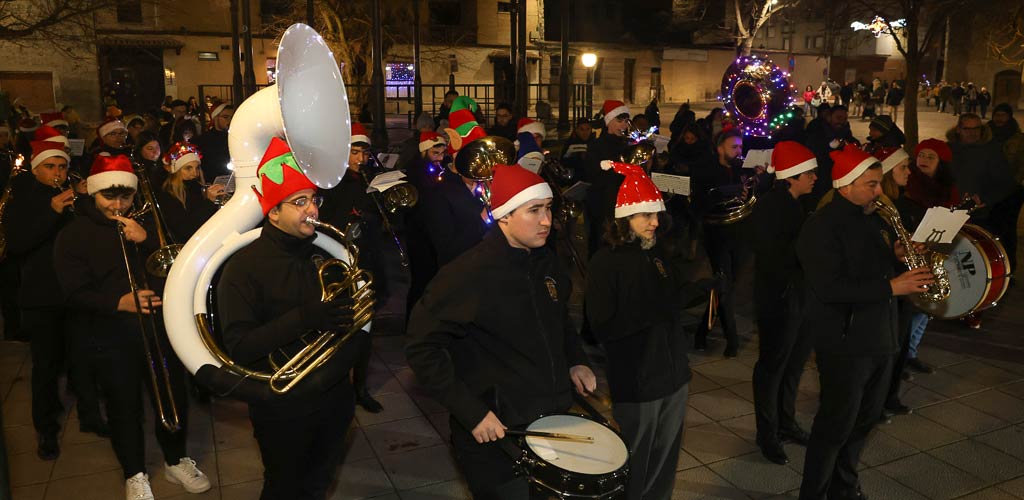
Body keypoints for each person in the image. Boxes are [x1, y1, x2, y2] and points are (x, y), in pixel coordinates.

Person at [405, 164, 595, 499]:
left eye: (548, 209)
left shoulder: (546, 262)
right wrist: (472, 412)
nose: (547, 221)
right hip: (495, 434)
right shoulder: (468, 273)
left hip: (548, 421)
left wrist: (576, 360)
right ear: (504, 216)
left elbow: (558, 319)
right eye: (534, 210)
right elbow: (422, 347)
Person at [216, 137, 367, 500]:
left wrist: (337, 380)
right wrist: (304, 318)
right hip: (282, 408)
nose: (312, 210)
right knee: (283, 488)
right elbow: (239, 347)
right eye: (300, 202)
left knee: (319, 483)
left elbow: (355, 324)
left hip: (333, 399)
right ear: (273, 212)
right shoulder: (242, 268)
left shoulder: (325, 253)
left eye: (314, 199)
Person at [54, 154, 210, 500]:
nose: (118, 204)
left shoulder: (144, 225)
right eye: (109, 196)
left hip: (157, 328)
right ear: (93, 195)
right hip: (110, 335)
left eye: (125, 196)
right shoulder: (74, 234)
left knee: (174, 396)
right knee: (123, 404)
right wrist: (117, 302)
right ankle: (134, 473)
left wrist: (148, 241)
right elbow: (72, 292)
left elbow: (175, 267)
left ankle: (174, 458)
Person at [797, 145, 933, 500]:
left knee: (865, 421)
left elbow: (867, 264)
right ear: (845, 186)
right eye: (872, 184)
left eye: (878, 183)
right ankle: (813, 492)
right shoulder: (820, 227)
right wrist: (892, 285)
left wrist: (898, 256)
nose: (880, 191)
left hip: (880, 337)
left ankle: (843, 487)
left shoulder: (872, 219)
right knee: (835, 426)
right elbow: (829, 287)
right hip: (845, 343)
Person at [586, 160, 690, 499]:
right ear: (624, 218)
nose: (655, 222)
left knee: (665, 459)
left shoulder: (655, 250)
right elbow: (600, 325)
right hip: (639, 381)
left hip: (673, 375)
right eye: (646, 215)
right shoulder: (607, 262)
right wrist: (650, 312)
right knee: (634, 460)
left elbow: (670, 298)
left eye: (656, 214)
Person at [3, 141, 101, 461]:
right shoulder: (22, 199)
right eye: (50, 167)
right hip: (41, 295)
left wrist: (85, 201)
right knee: (45, 366)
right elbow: (18, 244)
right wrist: (52, 211)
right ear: (35, 169)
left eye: (61, 166)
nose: (57, 173)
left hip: (75, 291)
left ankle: (89, 416)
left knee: (81, 357)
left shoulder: (72, 193)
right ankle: (45, 429)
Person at [749, 142, 818, 465]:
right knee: (772, 368)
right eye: (809, 173)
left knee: (793, 366)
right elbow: (773, 258)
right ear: (791, 177)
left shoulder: (795, 204)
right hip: (779, 301)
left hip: (800, 298)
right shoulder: (770, 207)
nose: (815, 178)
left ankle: (786, 422)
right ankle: (767, 433)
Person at [318, 123, 388, 413]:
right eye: (354, 152)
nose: (359, 158)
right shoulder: (332, 183)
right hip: (341, 265)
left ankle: (360, 387)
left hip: (368, 263)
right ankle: (335, 386)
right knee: (340, 328)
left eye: (363, 152)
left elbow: (386, 222)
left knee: (365, 331)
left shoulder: (371, 177)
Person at [691, 128, 764, 356]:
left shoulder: (741, 170)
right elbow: (698, 204)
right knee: (724, 286)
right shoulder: (706, 170)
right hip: (717, 234)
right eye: (734, 146)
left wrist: (755, 182)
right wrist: (723, 193)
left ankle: (701, 333)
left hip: (739, 233)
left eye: (741, 146)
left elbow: (751, 198)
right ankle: (732, 339)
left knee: (727, 285)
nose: (739, 150)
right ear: (720, 148)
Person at [947, 113, 1022, 299]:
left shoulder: (991, 150)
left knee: (973, 260)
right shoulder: (949, 149)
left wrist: (984, 198)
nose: (972, 133)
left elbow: (1005, 183)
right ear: (958, 129)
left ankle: (975, 297)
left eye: (976, 128)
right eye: (967, 128)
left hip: (980, 216)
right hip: (950, 214)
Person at [584, 100, 631, 257]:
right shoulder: (596, 145)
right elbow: (593, 175)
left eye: (626, 121)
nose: (624, 126)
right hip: (603, 203)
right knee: (601, 243)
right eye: (620, 121)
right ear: (608, 121)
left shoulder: (627, 145)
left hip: (623, 202)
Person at [154, 142, 222, 243]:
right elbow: (187, 229)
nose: (195, 173)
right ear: (176, 170)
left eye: (197, 167)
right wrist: (209, 201)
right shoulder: (167, 194)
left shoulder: (199, 186)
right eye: (188, 168)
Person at [195, 103, 233, 182]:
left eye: (232, 117)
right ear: (215, 118)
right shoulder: (203, 140)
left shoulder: (236, 137)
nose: (230, 121)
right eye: (225, 117)